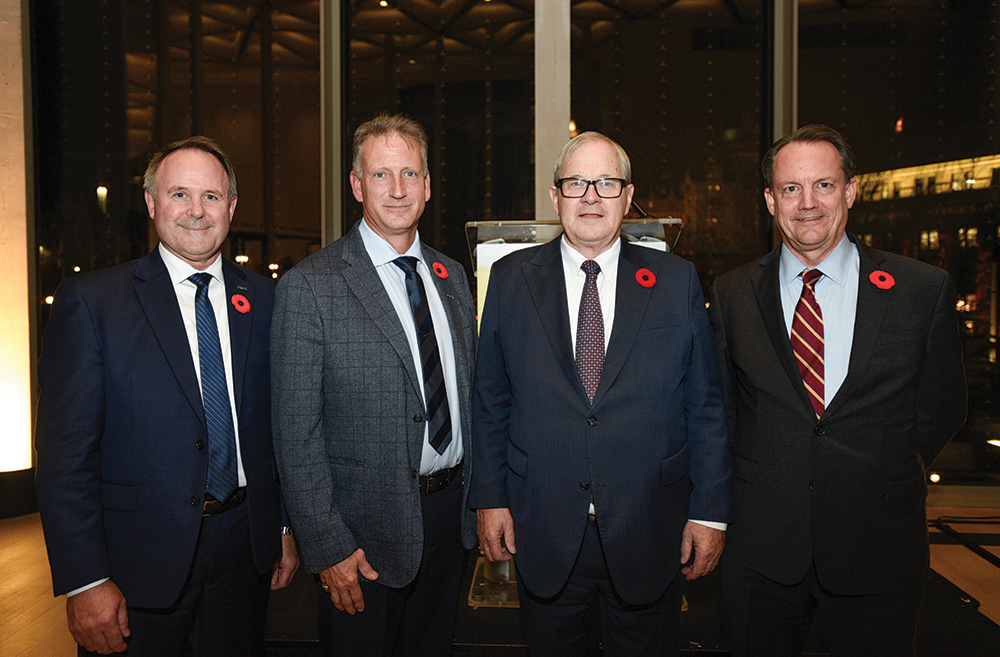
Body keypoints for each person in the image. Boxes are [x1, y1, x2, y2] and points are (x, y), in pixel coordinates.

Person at [469, 131, 732, 657]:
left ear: (628, 197)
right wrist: (490, 499)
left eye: (606, 183)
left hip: (649, 526)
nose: (591, 196)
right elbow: (491, 401)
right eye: (577, 183)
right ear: (555, 197)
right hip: (542, 526)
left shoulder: (676, 280)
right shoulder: (509, 279)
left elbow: (705, 405)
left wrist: (709, 512)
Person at [34, 136, 299, 656]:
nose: (196, 211)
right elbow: (66, 459)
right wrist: (86, 581)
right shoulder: (92, 303)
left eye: (211, 197)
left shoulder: (266, 299)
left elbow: (276, 426)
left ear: (232, 207)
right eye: (180, 194)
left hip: (246, 551)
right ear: (152, 203)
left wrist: (282, 525)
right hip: (136, 565)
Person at [709, 124, 968, 656]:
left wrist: (882, 467)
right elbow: (723, 411)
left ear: (850, 191)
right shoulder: (732, 293)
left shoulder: (921, 289)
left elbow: (942, 407)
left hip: (879, 544)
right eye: (790, 189)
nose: (808, 203)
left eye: (824, 185)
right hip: (761, 551)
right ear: (769, 200)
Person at [271, 113, 477, 657]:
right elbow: (295, 434)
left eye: (410, 174)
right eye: (381, 175)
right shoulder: (311, 286)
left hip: (448, 522)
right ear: (357, 186)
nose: (398, 189)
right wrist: (327, 546)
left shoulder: (452, 277)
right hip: (360, 536)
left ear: (428, 186)